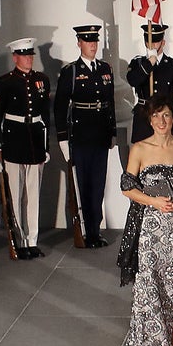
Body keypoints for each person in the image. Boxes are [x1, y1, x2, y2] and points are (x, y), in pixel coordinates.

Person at [101, 95, 173, 346]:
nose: (161, 121)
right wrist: (153, 202)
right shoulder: (140, 149)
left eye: (166, 115)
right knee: (147, 289)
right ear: (149, 119)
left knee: (168, 290)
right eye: (156, 116)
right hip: (148, 228)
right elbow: (126, 187)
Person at [0, 37, 50, 260]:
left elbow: (45, 117)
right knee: (15, 195)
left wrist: (46, 144)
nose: (29, 59)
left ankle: (32, 241)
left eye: (31, 55)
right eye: (24, 55)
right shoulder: (4, 83)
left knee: (33, 196)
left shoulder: (42, 80)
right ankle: (19, 240)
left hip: (35, 143)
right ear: (15, 57)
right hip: (14, 144)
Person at [53, 25, 116, 248]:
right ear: (79, 43)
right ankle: (83, 230)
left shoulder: (105, 68)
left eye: (95, 41)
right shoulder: (71, 71)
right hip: (80, 136)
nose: (92, 45)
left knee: (98, 185)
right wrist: (62, 138)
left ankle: (94, 231)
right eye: (88, 41)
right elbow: (60, 107)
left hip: (100, 135)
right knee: (82, 185)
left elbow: (110, 104)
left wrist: (112, 132)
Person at [126, 24, 173, 143]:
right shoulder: (138, 63)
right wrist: (149, 63)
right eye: (149, 42)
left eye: (156, 42)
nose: (152, 45)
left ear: (163, 43)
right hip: (144, 120)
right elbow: (133, 80)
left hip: (165, 120)